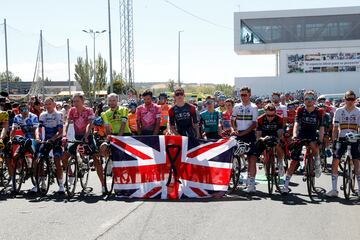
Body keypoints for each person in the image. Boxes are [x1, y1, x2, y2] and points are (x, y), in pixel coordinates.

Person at [281, 90, 324, 194]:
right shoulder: (300, 110)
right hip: (301, 134)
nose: (308, 101)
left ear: (314, 100)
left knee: (315, 146)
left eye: (311, 99)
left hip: (313, 134)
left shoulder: (319, 111)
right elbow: (296, 123)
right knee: (294, 161)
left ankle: (317, 162)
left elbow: (322, 127)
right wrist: (295, 135)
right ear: (303, 100)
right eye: (306, 99)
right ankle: (285, 185)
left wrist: (321, 140)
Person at [62, 94, 105, 194]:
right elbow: (67, 123)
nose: (75, 103)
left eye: (77, 101)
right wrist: (64, 135)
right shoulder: (72, 110)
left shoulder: (89, 110)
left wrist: (86, 136)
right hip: (77, 137)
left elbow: (89, 124)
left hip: (88, 138)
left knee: (96, 159)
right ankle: (71, 174)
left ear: (82, 101)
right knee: (64, 156)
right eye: (73, 101)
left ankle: (103, 185)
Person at [326, 90, 360, 197]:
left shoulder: (358, 111)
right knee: (335, 161)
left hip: (355, 139)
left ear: (355, 100)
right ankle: (334, 190)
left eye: (352, 99)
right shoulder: (339, 111)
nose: (350, 101)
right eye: (348, 99)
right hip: (342, 139)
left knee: (357, 162)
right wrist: (334, 141)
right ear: (344, 99)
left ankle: (359, 189)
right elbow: (335, 128)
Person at [231, 86, 258, 193]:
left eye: (245, 95)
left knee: (252, 159)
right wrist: (234, 129)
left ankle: (251, 184)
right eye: (241, 95)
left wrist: (243, 132)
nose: (242, 97)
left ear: (249, 95)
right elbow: (232, 119)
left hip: (249, 134)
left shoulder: (254, 107)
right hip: (239, 133)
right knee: (233, 154)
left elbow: (254, 124)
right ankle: (235, 174)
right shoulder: (237, 106)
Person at [35, 97, 64, 193]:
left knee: (56, 160)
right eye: (46, 104)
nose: (47, 106)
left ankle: (61, 185)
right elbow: (39, 128)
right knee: (39, 160)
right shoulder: (42, 115)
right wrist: (37, 137)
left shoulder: (59, 114)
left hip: (56, 139)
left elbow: (60, 131)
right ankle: (41, 182)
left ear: (54, 104)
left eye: (49, 104)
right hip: (45, 139)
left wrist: (52, 139)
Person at [9, 102, 39, 192]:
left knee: (35, 160)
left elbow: (36, 129)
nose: (24, 111)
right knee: (15, 156)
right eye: (22, 110)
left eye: (25, 109)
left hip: (33, 139)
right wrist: (11, 138)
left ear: (28, 109)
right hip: (24, 139)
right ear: (19, 110)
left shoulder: (33, 116)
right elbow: (14, 128)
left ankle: (37, 181)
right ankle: (21, 170)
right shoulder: (17, 117)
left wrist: (37, 138)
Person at [256, 103, 285, 176]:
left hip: (275, 134)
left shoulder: (279, 118)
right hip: (264, 135)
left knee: (278, 145)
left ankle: (281, 163)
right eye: (268, 115)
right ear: (265, 113)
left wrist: (278, 139)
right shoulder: (260, 119)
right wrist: (262, 139)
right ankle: (263, 157)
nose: (270, 117)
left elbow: (280, 133)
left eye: (272, 115)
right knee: (259, 144)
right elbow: (258, 135)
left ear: (275, 113)